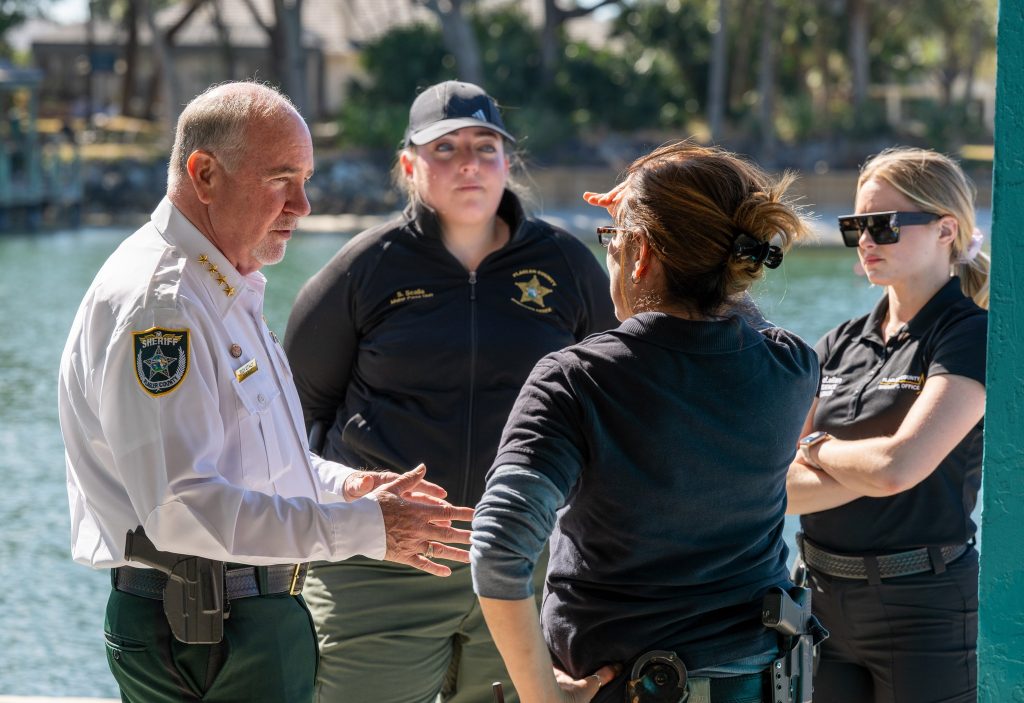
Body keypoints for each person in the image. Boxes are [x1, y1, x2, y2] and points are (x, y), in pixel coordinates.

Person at [57, 81, 474, 703]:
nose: (302, 205)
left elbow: (248, 463)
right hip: (204, 631)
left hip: (238, 620)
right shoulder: (163, 303)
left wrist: (341, 486)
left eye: (305, 178)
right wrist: (366, 529)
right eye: (281, 178)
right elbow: (184, 510)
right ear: (204, 175)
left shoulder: (221, 286)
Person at [284, 80, 617, 703]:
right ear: (409, 166)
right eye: (445, 148)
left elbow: (612, 401)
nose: (468, 162)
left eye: (485, 146)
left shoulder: (568, 267)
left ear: (507, 162)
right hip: (382, 562)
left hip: (521, 559)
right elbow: (293, 413)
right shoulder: (364, 269)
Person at [470, 141, 819, 703]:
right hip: (759, 683)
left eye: (612, 239)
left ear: (640, 254)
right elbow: (731, 313)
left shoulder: (575, 381)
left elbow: (497, 549)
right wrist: (665, 232)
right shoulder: (792, 367)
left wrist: (541, 695)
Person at [785, 147, 988, 703]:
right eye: (856, 227)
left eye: (884, 225)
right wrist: (868, 470)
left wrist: (817, 448)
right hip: (821, 603)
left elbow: (900, 468)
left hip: (925, 606)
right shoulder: (838, 342)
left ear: (946, 229)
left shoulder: (968, 335)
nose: (867, 241)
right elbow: (779, 488)